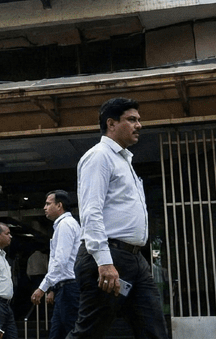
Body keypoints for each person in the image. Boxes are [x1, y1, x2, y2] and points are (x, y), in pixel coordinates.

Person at [69, 97, 168, 339]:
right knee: (89, 333)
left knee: (154, 330)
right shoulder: (99, 157)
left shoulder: (124, 161)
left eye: (138, 120)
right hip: (109, 257)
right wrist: (104, 262)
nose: (139, 125)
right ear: (111, 123)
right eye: (131, 119)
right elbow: (91, 211)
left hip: (135, 260)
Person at [31, 190, 81, 339]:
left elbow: (60, 261)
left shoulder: (65, 225)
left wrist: (42, 288)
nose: (44, 207)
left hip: (69, 288)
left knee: (72, 332)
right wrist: (53, 288)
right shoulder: (63, 225)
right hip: (63, 287)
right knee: (57, 333)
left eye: (48, 204)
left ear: (59, 205)